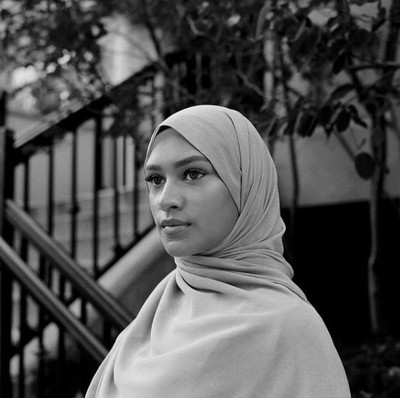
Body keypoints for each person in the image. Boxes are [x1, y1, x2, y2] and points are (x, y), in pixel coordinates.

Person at [85, 105, 351, 397]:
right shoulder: (154, 316)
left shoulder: (289, 329)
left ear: (245, 185)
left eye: (193, 173)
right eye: (155, 180)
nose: (166, 199)